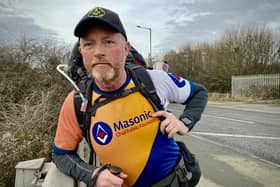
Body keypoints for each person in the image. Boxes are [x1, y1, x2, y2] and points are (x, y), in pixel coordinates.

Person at [52, 6, 208, 187]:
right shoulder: (76, 102)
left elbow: (199, 92)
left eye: (108, 42)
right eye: (89, 44)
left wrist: (185, 122)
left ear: (126, 49)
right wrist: (93, 175)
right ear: (81, 51)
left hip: (176, 181)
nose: (98, 52)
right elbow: (61, 154)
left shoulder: (153, 79)